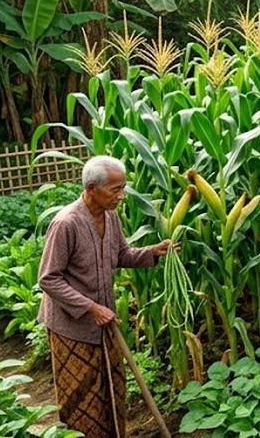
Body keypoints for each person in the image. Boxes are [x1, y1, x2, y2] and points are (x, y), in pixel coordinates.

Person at [39, 156, 177, 438]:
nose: (121, 196)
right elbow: (48, 278)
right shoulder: (66, 223)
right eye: (115, 190)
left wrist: (152, 252)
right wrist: (90, 307)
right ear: (91, 188)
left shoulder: (110, 217)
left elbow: (121, 255)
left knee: (112, 387)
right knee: (82, 396)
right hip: (72, 328)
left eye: (123, 188)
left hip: (104, 322)